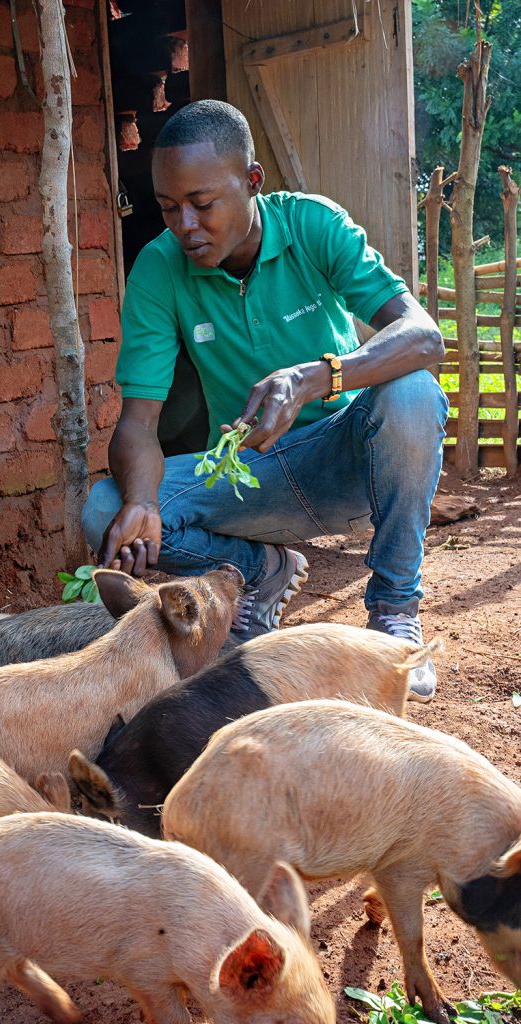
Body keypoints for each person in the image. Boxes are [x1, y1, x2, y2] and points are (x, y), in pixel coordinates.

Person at [82, 100, 448, 703]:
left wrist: (316, 378)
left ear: (252, 182)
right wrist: (143, 502)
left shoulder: (313, 226)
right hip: (249, 474)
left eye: (202, 204)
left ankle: (393, 615)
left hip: (349, 459)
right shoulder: (159, 267)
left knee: (412, 391)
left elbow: (423, 335)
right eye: (170, 208)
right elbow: (138, 424)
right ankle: (260, 573)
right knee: (104, 509)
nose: (185, 225)